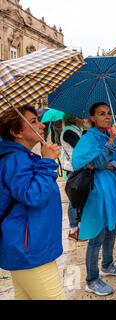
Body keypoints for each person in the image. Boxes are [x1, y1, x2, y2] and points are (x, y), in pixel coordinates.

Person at [72, 102, 116, 296]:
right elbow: (93, 162)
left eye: (109, 113)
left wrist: (111, 164)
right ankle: (92, 279)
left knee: (113, 228)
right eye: (101, 114)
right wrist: (108, 147)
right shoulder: (89, 138)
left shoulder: (114, 136)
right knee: (97, 235)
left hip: (115, 189)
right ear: (92, 118)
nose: (107, 116)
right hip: (97, 192)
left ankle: (107, 265)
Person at [0, 106, 65, 300]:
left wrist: (44, 160)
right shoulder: (15, 159)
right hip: (30, 249)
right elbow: (33, 195)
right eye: (33, 121)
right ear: (16, 132)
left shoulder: (20, 157)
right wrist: (47, 162)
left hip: (24, 245)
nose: (41, 124)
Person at [60, 115, 85, 241]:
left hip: (77, 168)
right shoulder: (69, 131)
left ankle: (79, 227)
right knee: (74, 199)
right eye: (81, 116)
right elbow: (81, 147)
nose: (84, 118)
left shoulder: (75, 129)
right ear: (74, 118)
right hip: (73, 170)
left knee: (78, 198)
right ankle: (73, 230)